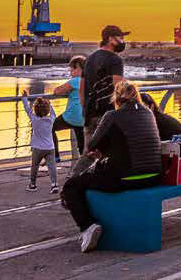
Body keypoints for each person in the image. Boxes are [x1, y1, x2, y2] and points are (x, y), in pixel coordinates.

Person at [62, 80, 162, 253]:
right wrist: (107, 151)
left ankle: (87, 226)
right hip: (153, 176)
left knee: (72, 186)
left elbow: (91, 145)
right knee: (95, 178)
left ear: (116, 98)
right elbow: (131, 143)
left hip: (125, 179)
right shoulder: (148, 113)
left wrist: (100, 152)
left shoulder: (112, 116)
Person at [80, 26, 129, 144]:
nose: (123, 41)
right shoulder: (115, 60)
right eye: (120, 38)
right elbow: (118, 87)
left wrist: (85, 109)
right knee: (111, 152)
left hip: (90, 115)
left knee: (89, 154)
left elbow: (81, 89)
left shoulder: (89, 59)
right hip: (108, 115)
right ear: (111, 39)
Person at [21, 91, 58, 193]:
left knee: (35, 166)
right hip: (50, 147)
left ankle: (32, 185)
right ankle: (54, 184)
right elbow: (53, 113)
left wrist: (24, 98)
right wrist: (49, 104)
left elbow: (27, 109)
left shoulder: (34, 119)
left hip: (37, 148)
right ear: (47, 110)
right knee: (51, 166)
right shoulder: (51, 119)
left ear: (35, 110)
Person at [52, 55, 86, 163]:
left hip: (71, 117)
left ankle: (55, 156)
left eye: (72, 69)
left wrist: (68, 88)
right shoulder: (90, 80)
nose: (71, 72)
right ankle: (84, 167)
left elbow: (57, 91)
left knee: (50, 127)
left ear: (79, 68)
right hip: (84, 117)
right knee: (81, 144)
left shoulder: (75, 81)